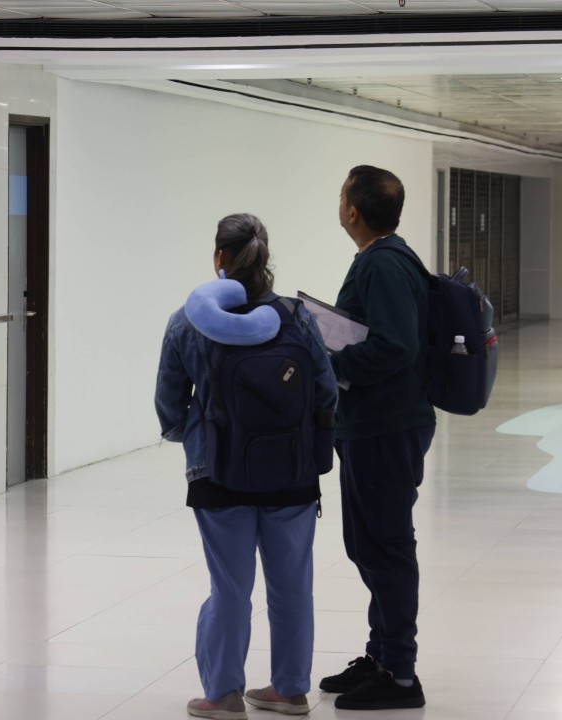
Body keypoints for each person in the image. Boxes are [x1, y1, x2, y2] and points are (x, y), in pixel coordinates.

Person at [156, 213, 338, 720]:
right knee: (292, 585)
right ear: (266, 258)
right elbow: (325, 393)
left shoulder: (187, 321)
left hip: (218, 475)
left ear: (219, 258)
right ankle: (291, 689)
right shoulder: (298, 319)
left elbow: (169, 406)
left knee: (230, 588)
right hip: (292, 474)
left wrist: (189, 436)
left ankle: (223, 695)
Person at [318, 165, 435, 710]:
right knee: (369, 544)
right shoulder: (383, 257)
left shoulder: (385, 264)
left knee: (385, 547)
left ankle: (401, 676)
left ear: (352, 211)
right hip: (375, 424)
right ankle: (381, 653)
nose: (339, 202)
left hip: (386, 427)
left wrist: (333, 358)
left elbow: (395, 346)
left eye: (341, 195)